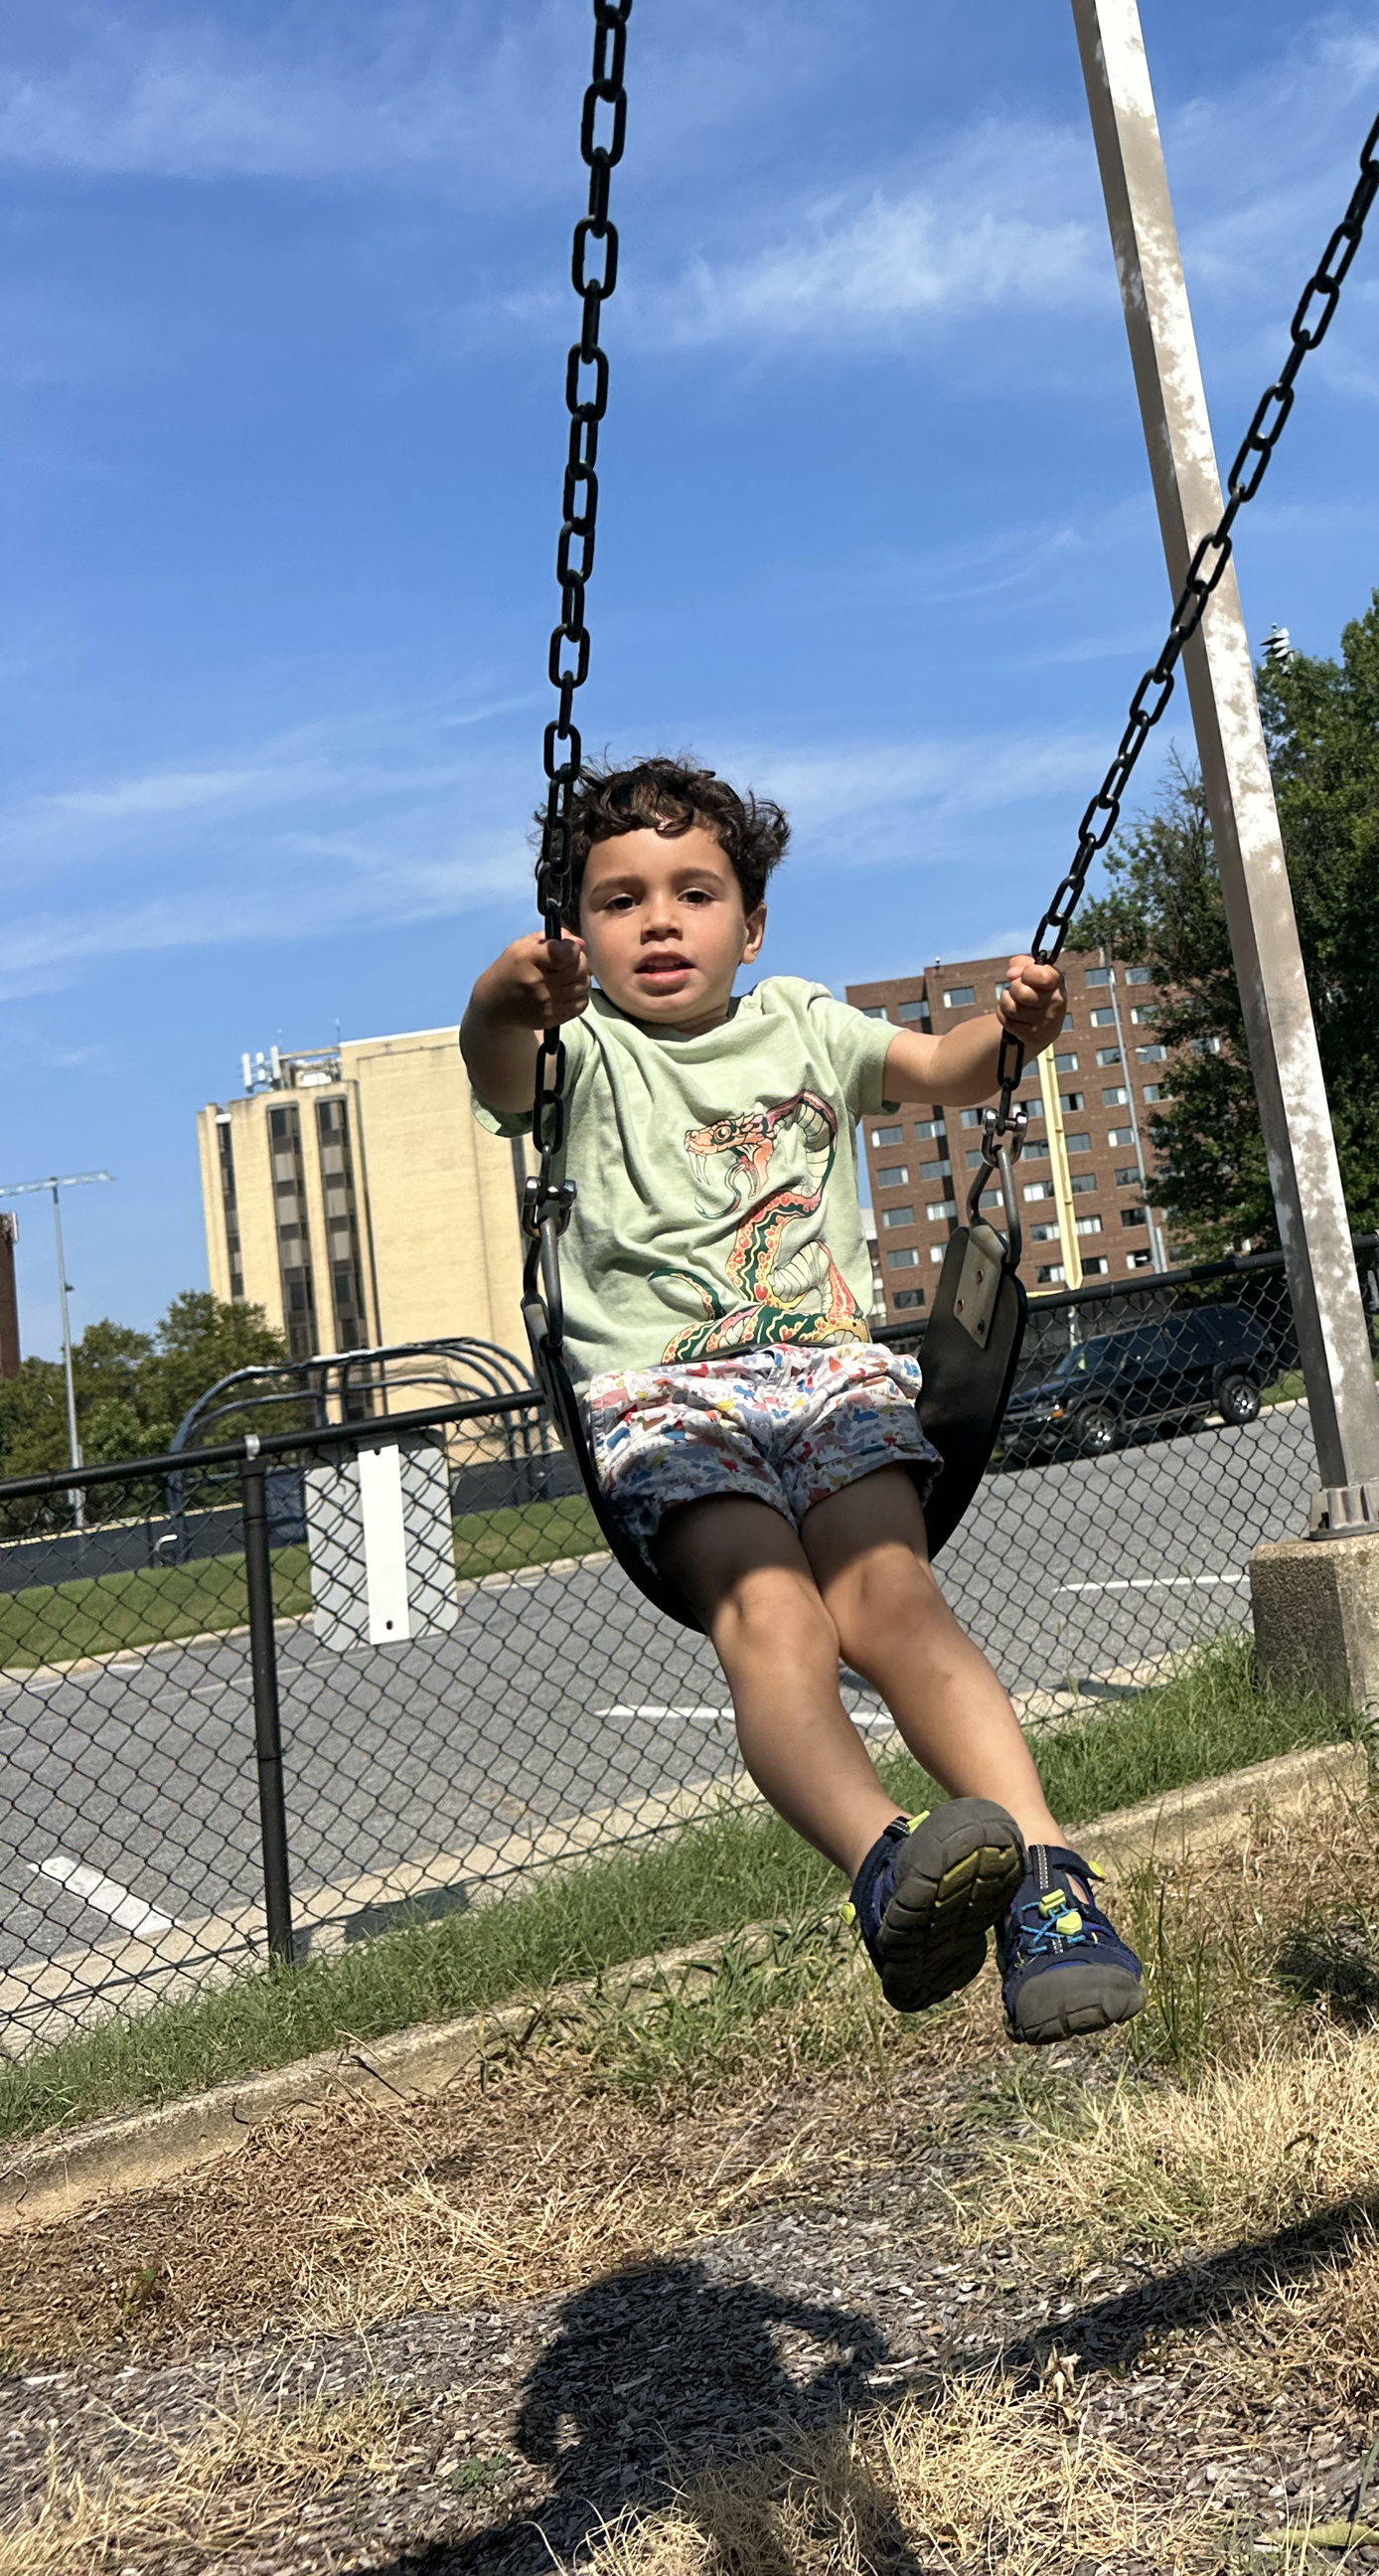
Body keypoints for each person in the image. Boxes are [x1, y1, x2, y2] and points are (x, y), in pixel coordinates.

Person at [460, 753, 1145, 2043]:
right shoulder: (579, 1057)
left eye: (694, 890)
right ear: (577, 936)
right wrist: (508, 994)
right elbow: (495, 1060)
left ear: (751, 922)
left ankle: (1051, 1885)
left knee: (896, 1602)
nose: (659, 919)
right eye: (619, 901)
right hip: (672, 1405)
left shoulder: (805, 1026)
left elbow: (951, 1066)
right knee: (776, 1626)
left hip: (827, 1379)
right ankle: (889, 1869)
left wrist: (1018, 1032)